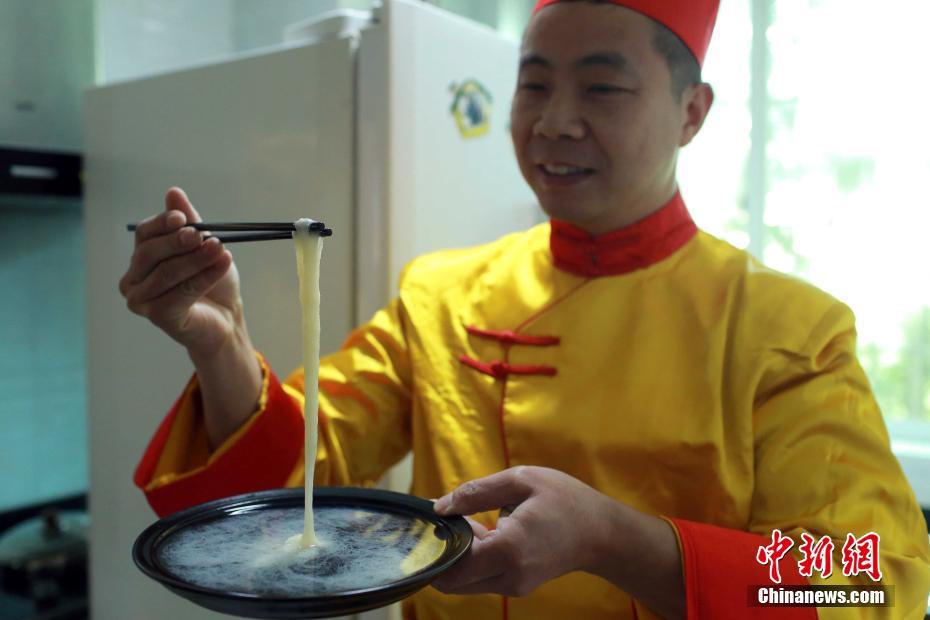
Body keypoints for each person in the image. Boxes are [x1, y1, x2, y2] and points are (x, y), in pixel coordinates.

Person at [120, 0, 930, 618]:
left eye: (603, 88)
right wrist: (221, 347)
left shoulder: (789, 331)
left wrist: (620, 541)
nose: (552, 122)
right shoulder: (438, 291)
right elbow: (301, 484)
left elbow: (872, 583)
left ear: (693, 112)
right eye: (533, 84)